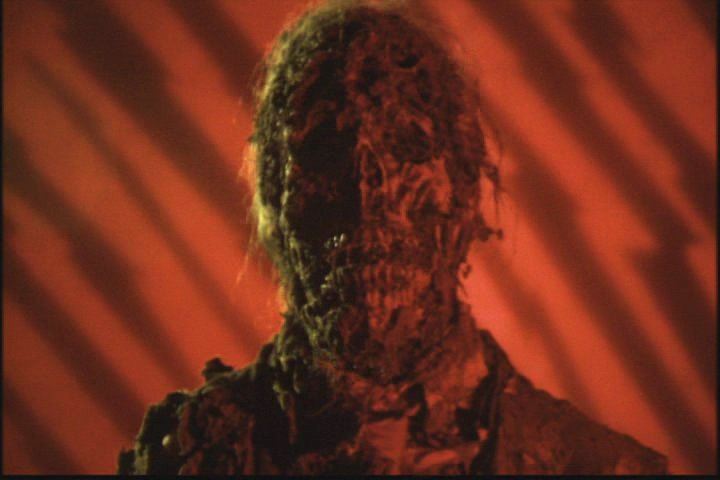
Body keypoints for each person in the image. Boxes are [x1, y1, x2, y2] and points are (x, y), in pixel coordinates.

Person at [118, 1, 666, 474]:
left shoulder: (591, 464)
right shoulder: (187, 455)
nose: (366, 196)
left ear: (462, 188)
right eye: (325, 149)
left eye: (406, 144)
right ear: (274, 194)